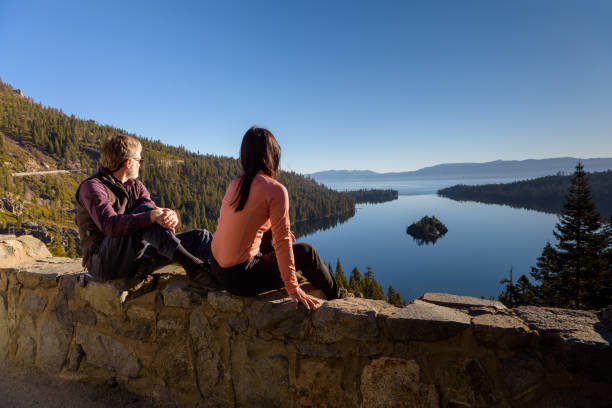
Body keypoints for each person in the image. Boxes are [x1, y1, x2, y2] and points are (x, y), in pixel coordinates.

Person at [211, 126, 342, 310]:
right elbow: (282, 242)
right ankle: (338, 299)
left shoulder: (236, 184)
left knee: (269, 233)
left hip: (217, 269)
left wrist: (278, 230)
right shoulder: (275, 189)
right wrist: (293, 287)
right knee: (307, 252)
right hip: (241, 279)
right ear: (272, 154)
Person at [75, 134, 218, 288]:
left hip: (137, 257)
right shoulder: (92, 187)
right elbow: (110, 225)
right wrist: (152, 215)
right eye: (139, 160)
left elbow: (153, 211)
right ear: (129, 162)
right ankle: (194, 268)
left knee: (201, 236)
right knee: (146, 214)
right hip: (103, 262)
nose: (140, 164)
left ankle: (216, 272)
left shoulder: (135, 185)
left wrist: (169, 216)